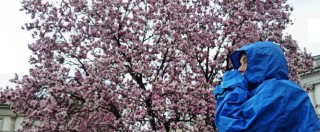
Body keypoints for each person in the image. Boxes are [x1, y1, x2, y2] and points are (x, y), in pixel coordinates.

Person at [213, 41, 320, 131]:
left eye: (245, 62)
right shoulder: (265, 92)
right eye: (240, 64)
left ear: (262, 63)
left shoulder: (280, 90)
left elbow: (232, 126)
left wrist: (231, 87)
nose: (239, 69)